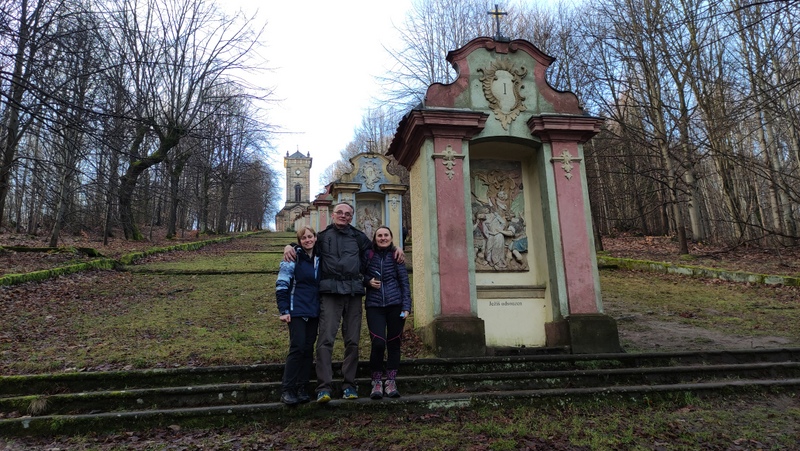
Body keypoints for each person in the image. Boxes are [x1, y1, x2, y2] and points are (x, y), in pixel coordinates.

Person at [283, 202, 404, 403]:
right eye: (339, 212)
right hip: (330, 293)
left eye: (347, 214)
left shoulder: (359, 237)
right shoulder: (323, 237)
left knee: (352, 341)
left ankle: (349, 384)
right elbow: (306, 244)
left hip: (353, 293)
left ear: (352, 217)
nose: (343, 216)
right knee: (325, 340)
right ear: (333, 214)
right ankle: (324, 387)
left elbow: (376, 251)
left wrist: (397, 248)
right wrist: (290, 246)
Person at [363, 226, 412, 399]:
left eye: (386, 235)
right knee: (378, 343)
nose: (383, 238)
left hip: (395, 305)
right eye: (379, 235)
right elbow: (358, 274)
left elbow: (404, 282)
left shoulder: (396, 256)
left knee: (394, 343)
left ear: (391, 238)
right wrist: (368, 282)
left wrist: (406, 306)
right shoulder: (368, 255)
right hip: (374, 306)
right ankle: (376, 381)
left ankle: (391, 381)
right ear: (375, 238)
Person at [275, 226, 320, 406]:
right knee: (297, 347)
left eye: (310, 236)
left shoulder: (320, 257)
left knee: (308, 349)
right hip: (296, 309)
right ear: (299, 241)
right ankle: (288, 389)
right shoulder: (292, 257)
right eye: (304, 238)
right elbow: (282, 284)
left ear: (315, 238)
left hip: (314, 310)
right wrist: (284, 310)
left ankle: (302, 387)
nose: (308, 240)